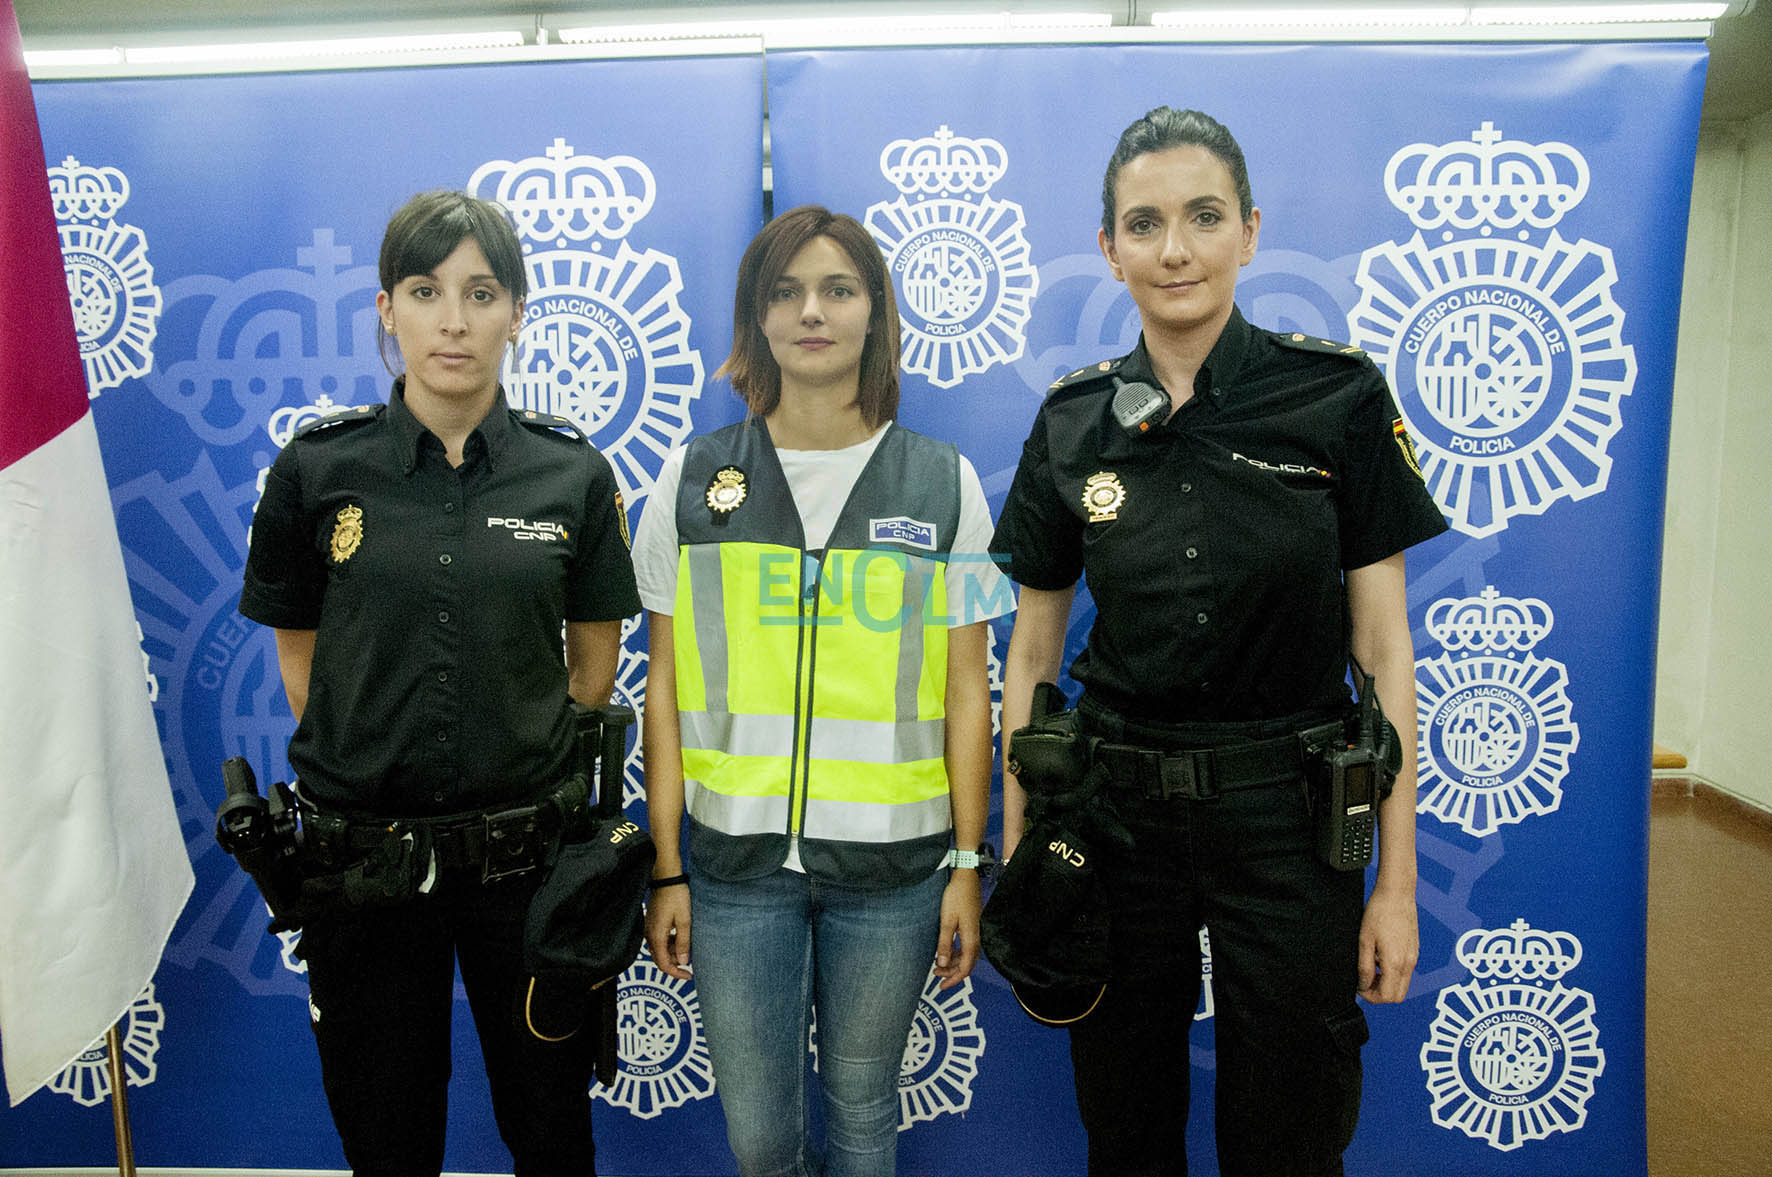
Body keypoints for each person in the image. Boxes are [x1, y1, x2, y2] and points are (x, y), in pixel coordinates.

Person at [990, 108, 1448, 1177]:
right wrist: (1022, 852)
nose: (1174, 248)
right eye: (1142, 223)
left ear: (1248, 229)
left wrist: (1391, 885)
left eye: (1202, 217)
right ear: (1109, 249)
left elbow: (1381, 650)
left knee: (1288, 1132)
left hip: (1289, 823)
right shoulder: (1071, 423)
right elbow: (1029, 659)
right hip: (1115, 822)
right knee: (1124, 1123)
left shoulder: (1333, 396)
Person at [238, 189, 640, 1175]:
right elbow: (305, 663)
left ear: (516, 310)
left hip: (528, 872)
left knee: (551, 1133)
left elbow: (593, 668)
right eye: (425, 290)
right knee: (387, 1141)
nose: (452, 320)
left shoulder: (571, 476)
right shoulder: (316, 470)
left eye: (480, 291)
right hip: (363, 868)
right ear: (387, 308)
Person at [634, 204, 1010, 1177]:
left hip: (893, 874)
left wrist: (968, 862)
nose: (812, 311)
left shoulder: (944, 483)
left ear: (873, 313)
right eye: (785, 290)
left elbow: (971, 690)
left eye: (837, 289)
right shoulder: (688, 482)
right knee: (760, 1141)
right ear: (755, 317)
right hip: (732, 871)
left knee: (860, 1122)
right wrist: (667, 865)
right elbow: (663, 690)